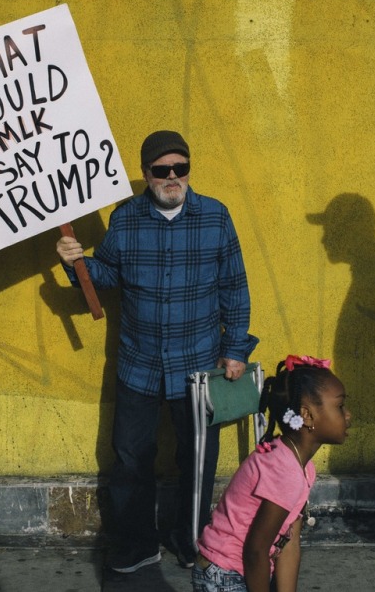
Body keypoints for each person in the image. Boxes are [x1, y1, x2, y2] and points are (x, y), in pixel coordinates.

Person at [57, 130, 257, 573]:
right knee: (130, 459)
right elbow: (106, 273)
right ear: (146, 175)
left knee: (197, 460)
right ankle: (135, 545)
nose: (172, 178)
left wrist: (235, 349)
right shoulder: (125, 218)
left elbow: (234, 288)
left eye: (180, 169)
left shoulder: (216, 216)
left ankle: (190, 540)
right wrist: (76, 262)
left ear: (188, 171)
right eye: (161, 170)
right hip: (139, 365)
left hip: (198, 366)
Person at [193, 355, 351, 592]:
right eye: (340, 406)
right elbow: (256, 551)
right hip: (224, 574)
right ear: (307, 415)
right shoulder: (284, 470)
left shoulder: (301, 465)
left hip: (239, 570)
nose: (348, 415)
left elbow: (289, 543)